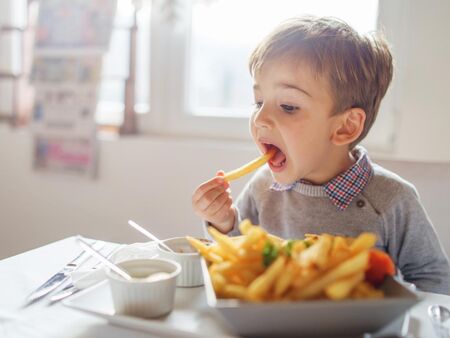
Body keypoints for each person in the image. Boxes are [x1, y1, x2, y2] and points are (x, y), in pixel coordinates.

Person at [191, 16, 450, 294]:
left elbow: (434, 278)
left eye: (288, 106)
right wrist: (223, 221)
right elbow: (240, 254)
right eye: (258, 102)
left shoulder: (393, 199)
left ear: (345, 127)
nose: (261, 119)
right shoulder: (263, 186)